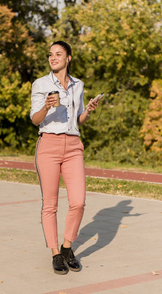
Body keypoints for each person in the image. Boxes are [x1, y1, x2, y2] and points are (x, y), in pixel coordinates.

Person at [30, 40, 100, 275]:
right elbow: (35, 119)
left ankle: (67, 246)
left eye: (58, 54)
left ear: (68, 58)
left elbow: (76, 119)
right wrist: (47, 107)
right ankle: (55, 254)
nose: (53, 58)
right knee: (50, 204)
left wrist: (87, 112)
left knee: (78, 201)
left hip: (72, 146)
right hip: (48, 145)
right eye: (50, 54)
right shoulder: (40, 84)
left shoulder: (78, 85)